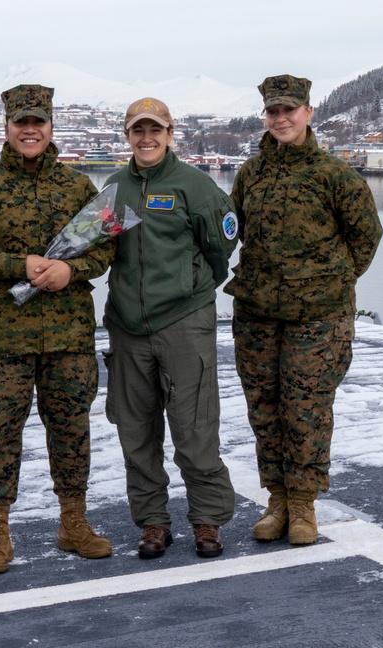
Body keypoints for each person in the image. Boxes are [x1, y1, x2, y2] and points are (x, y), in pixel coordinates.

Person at [0, 84, 112, 576]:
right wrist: (19, 263)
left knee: (72, 431)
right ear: (7, 127)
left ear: (51, 127)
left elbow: (107, 246)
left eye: (38, 122)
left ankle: (73, 523)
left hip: (68, 338)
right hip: (3, 338)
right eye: (22, 122)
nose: (30, 130)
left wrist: (71, 272)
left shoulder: (79, 187)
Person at [226, 75, 383, 545]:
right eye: (273, 112)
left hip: (319, 316)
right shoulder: (250, 173)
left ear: (308, 113)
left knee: (307, 409)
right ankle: (277, 499)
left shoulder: (336, 176)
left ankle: (303, 506)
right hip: (257, 312)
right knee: (265, 407)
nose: (281, 119)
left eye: (289, 110)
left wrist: (332, 281)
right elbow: (233, 229)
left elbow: (366, 237)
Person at [101, 98, 237, 560]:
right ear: (127, 135)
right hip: (127, 327)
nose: (146, 138)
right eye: (137, 130)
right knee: (136, 432)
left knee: (194, 427)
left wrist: (193, 287)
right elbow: (99, 245)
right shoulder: (115, 186)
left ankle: (207, 520)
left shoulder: (193, 185)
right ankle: (153, 523)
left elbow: (221, 246)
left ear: (170, 133)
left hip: (183, 323)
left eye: (154, 130)